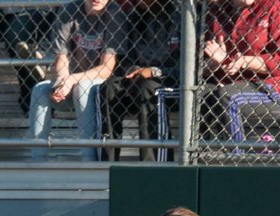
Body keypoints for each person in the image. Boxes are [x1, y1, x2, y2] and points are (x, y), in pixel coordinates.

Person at [28, 0, 127, 162]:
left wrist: (71, 79)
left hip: (100, 85)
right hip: (70, 81)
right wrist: (62, 82)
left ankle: (89, 159)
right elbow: (61, 58)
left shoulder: (115, 13)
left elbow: (106, 68)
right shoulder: (69, 10)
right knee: (40, 90)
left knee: (82, 87)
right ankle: (38, 160)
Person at [201, 0, 280, 143]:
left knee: (228, 96)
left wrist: (243, 61)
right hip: (224, 81)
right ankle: (195, 152)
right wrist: (215, 63)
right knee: (198, 94)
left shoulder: (272, 6)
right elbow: (200, 66)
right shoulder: (217, 9)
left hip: (266, 85)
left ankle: (237, 154)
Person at [101, 0, 180, 161]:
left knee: (149, 88)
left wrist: (153, 71)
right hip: (138, 79)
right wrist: (133, 70)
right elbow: (126, 59)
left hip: (171, 81)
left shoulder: (179, 15)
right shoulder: (134, 15)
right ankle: (108, 160)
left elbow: (185, 66)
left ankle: (154, 164)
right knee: (110, 86)